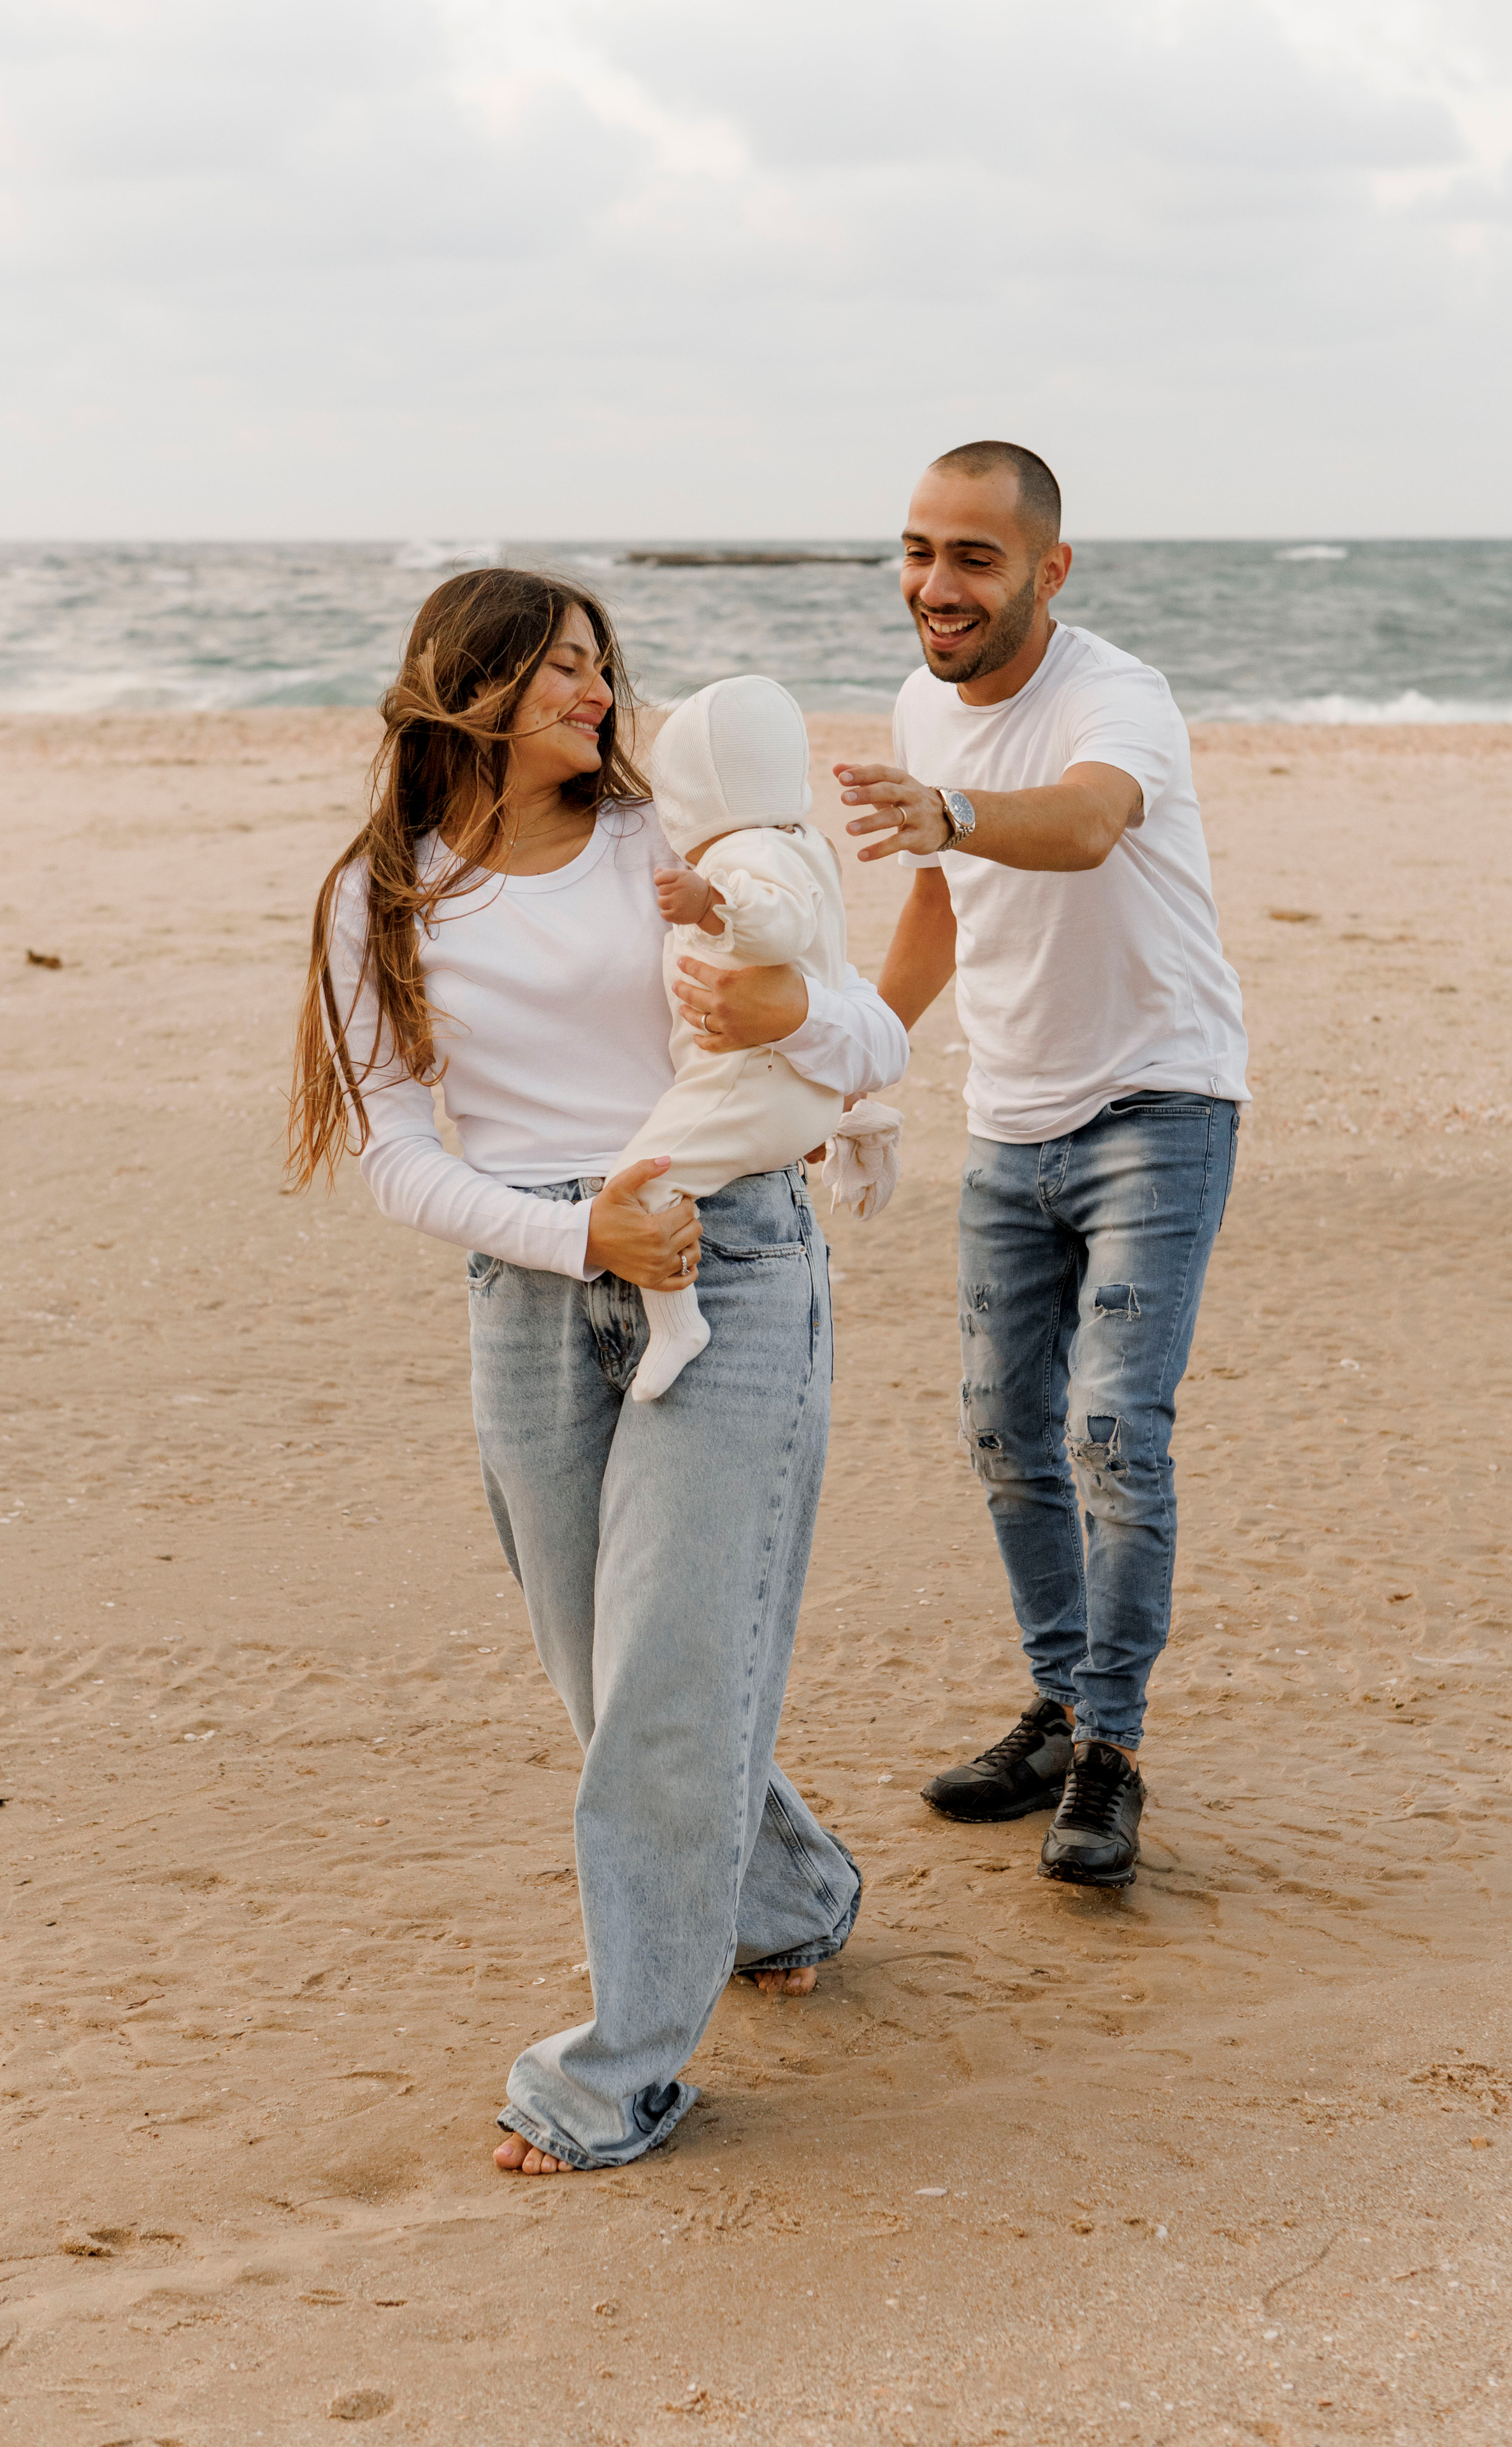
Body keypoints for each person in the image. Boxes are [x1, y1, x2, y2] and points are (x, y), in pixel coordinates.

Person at [288, 567, 908, 2171]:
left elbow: (868, 1047)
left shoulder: (676, 846)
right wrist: (580, 1246)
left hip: (731, 1257)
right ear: (462, 685)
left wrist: (789, 1002)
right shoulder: (385, 893)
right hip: (536, 1286)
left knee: (669, 1674)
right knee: (612, 1680)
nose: (596, 690)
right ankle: (788, 1888)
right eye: (558, 666)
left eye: (600, 664)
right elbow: (398, 1160)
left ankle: (614, 2069)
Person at [838, 440, 1248, 1889]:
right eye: (914, 551)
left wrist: (947, 811)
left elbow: (1077, 826)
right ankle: (1059, 1698)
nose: (932, 584)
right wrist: (851, 1055)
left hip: (1157, 1100)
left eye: (970, 556)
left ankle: (1109, 1751)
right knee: (1004, 1427)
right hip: (1007, 1118)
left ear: (1046, 569)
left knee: (1108, 1425)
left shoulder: (1113, 698)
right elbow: (939, 911)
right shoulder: (917, 704)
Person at [615, 673, 851, 1403]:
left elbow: (785, 926)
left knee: (647, 1178)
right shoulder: (799, 841)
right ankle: (865, 1122)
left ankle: (679, 1323)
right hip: (798, 1084)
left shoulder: (743, 855)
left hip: (751, 1080)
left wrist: (711, 904)